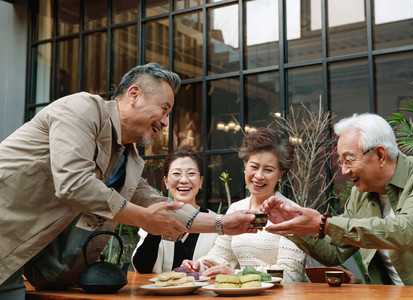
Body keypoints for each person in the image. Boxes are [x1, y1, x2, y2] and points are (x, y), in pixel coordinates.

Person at [0, 63, 256, 298]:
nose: (166, 122)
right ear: (134, 95)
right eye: (164, 109)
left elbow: (158, 205)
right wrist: (142, 218)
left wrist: (224, 224)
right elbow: (74, 183)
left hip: (13, 261)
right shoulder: (82, 109)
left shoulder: (129, 159)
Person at [262, 113, 413, 286]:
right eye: (341, 162)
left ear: (380, 155)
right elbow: (334, 252)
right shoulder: (360, 194)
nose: (344, 171)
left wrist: (324, 223)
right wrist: (292, 224)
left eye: (349, 160)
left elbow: (404, 231)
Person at [182, 128, 309, 282]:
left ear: (281, 174)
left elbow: (290, 275)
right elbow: (218, 258)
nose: (259, 176)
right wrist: (199, 266)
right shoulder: (236, 209)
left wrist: (237, 274)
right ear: (245, 165)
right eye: (254, 167)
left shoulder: (291, 213)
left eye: (268, 170)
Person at [132, 148, 217, 273]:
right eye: (176, 174)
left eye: (191, 174)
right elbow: (142, 267)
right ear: (166, 182)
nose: (183, 180)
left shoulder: (215, 222)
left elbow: (218, 265)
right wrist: (155, 226)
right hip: (161, 290)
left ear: (201, 181)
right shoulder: (153, 215)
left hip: (202, 292)